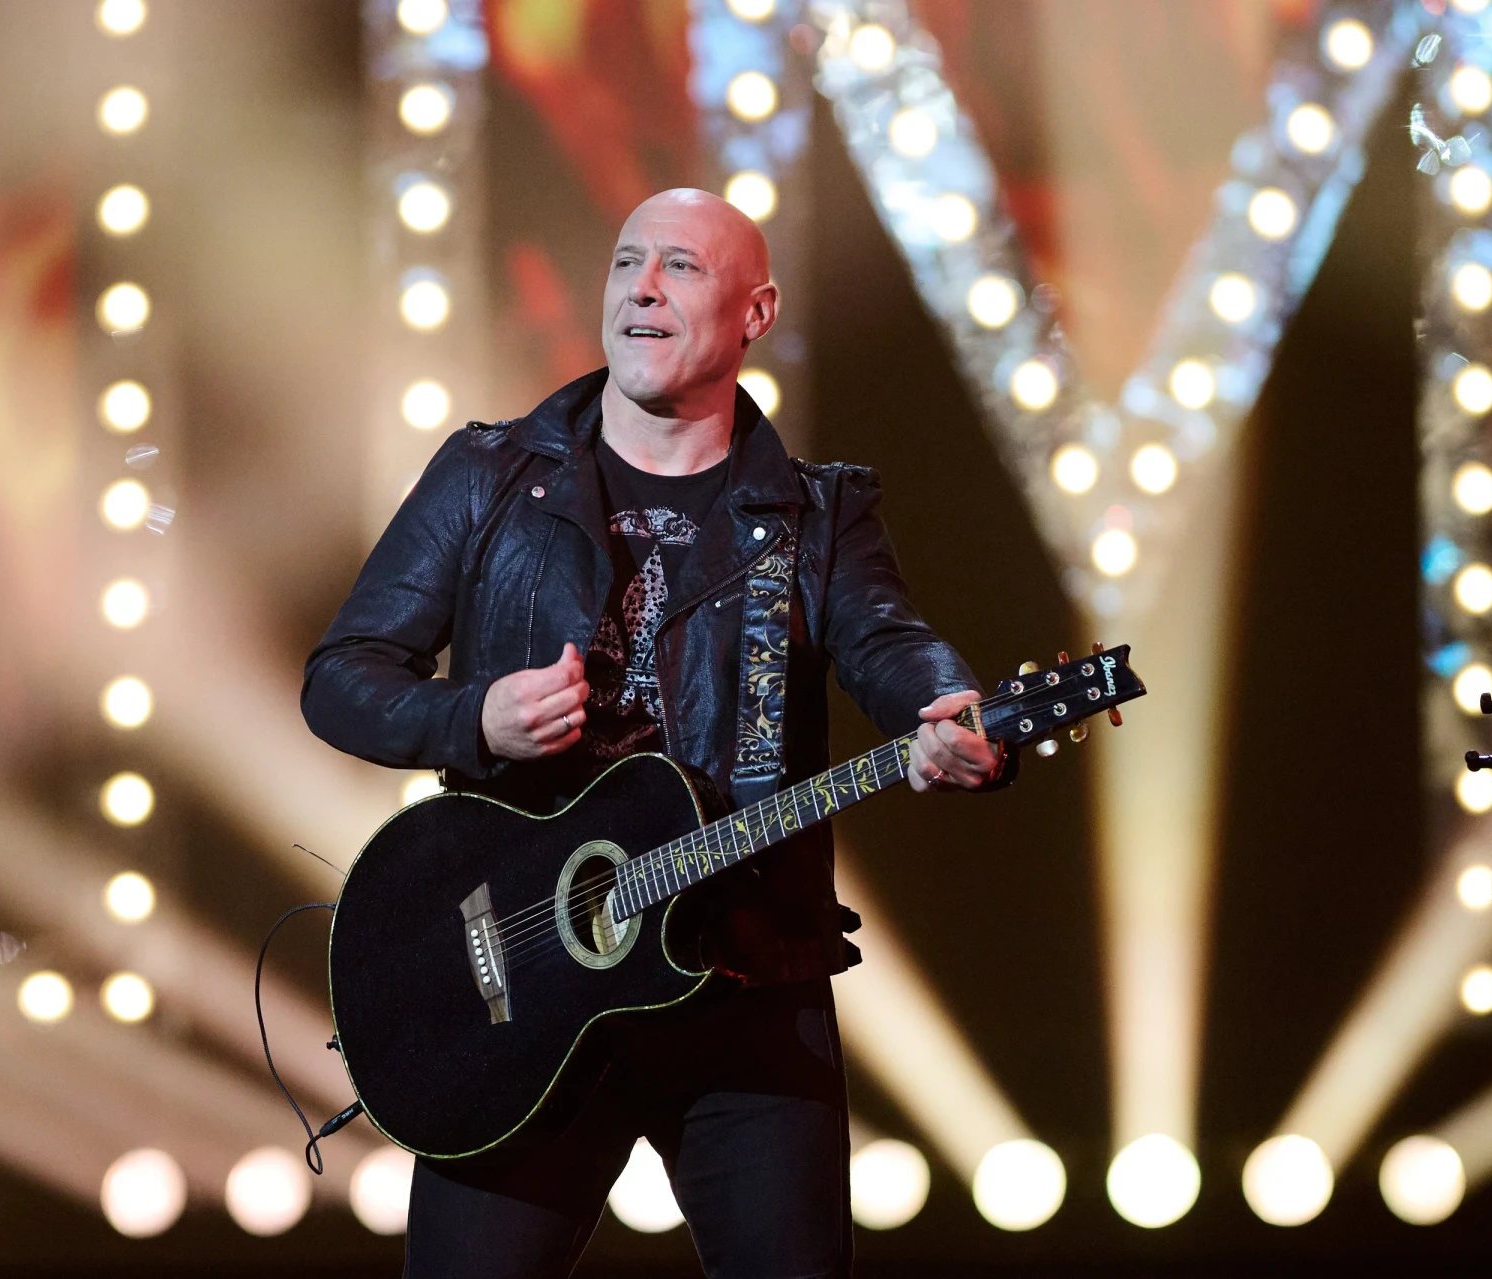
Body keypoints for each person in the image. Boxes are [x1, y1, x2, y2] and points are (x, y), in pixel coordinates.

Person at [303, 188, 1006, 1279]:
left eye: (680, 267)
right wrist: (474, 716)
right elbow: (341, 678)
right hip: (526, 985)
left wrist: (946, 702)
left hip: (746, 985)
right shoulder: (491, 476)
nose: (641, 288)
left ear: (755, 312)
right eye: (627, 262)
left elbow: (888, 641)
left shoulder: (817, 516)